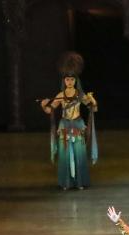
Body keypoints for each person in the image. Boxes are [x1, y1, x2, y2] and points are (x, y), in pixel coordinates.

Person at [39, 51, 97, 190]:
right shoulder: (60, 95)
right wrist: (43, 105)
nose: (69, 82)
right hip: (64, 126)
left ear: (75, 81)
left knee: (79, 154)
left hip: (77, 125)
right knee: (65, 155)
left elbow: (93, 109)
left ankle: (80, 182)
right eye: (67, 80)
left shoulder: (80, 95)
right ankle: (66, 183)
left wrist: (92, 100)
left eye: (72, 80)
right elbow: (50, 110)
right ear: (64, 81)